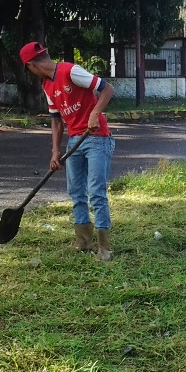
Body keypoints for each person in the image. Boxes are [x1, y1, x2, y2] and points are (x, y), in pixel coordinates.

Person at [19, 41, 116, 261]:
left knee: (96, 192)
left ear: (31, 65)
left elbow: (107, 88)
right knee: (76, 192)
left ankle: (105, 248)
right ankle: (83, 241)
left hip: (96, 138)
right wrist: (55, 152)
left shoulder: (70, 71)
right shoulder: (47, 85)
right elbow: (56, 121)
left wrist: (94, 114)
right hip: (75, 140)